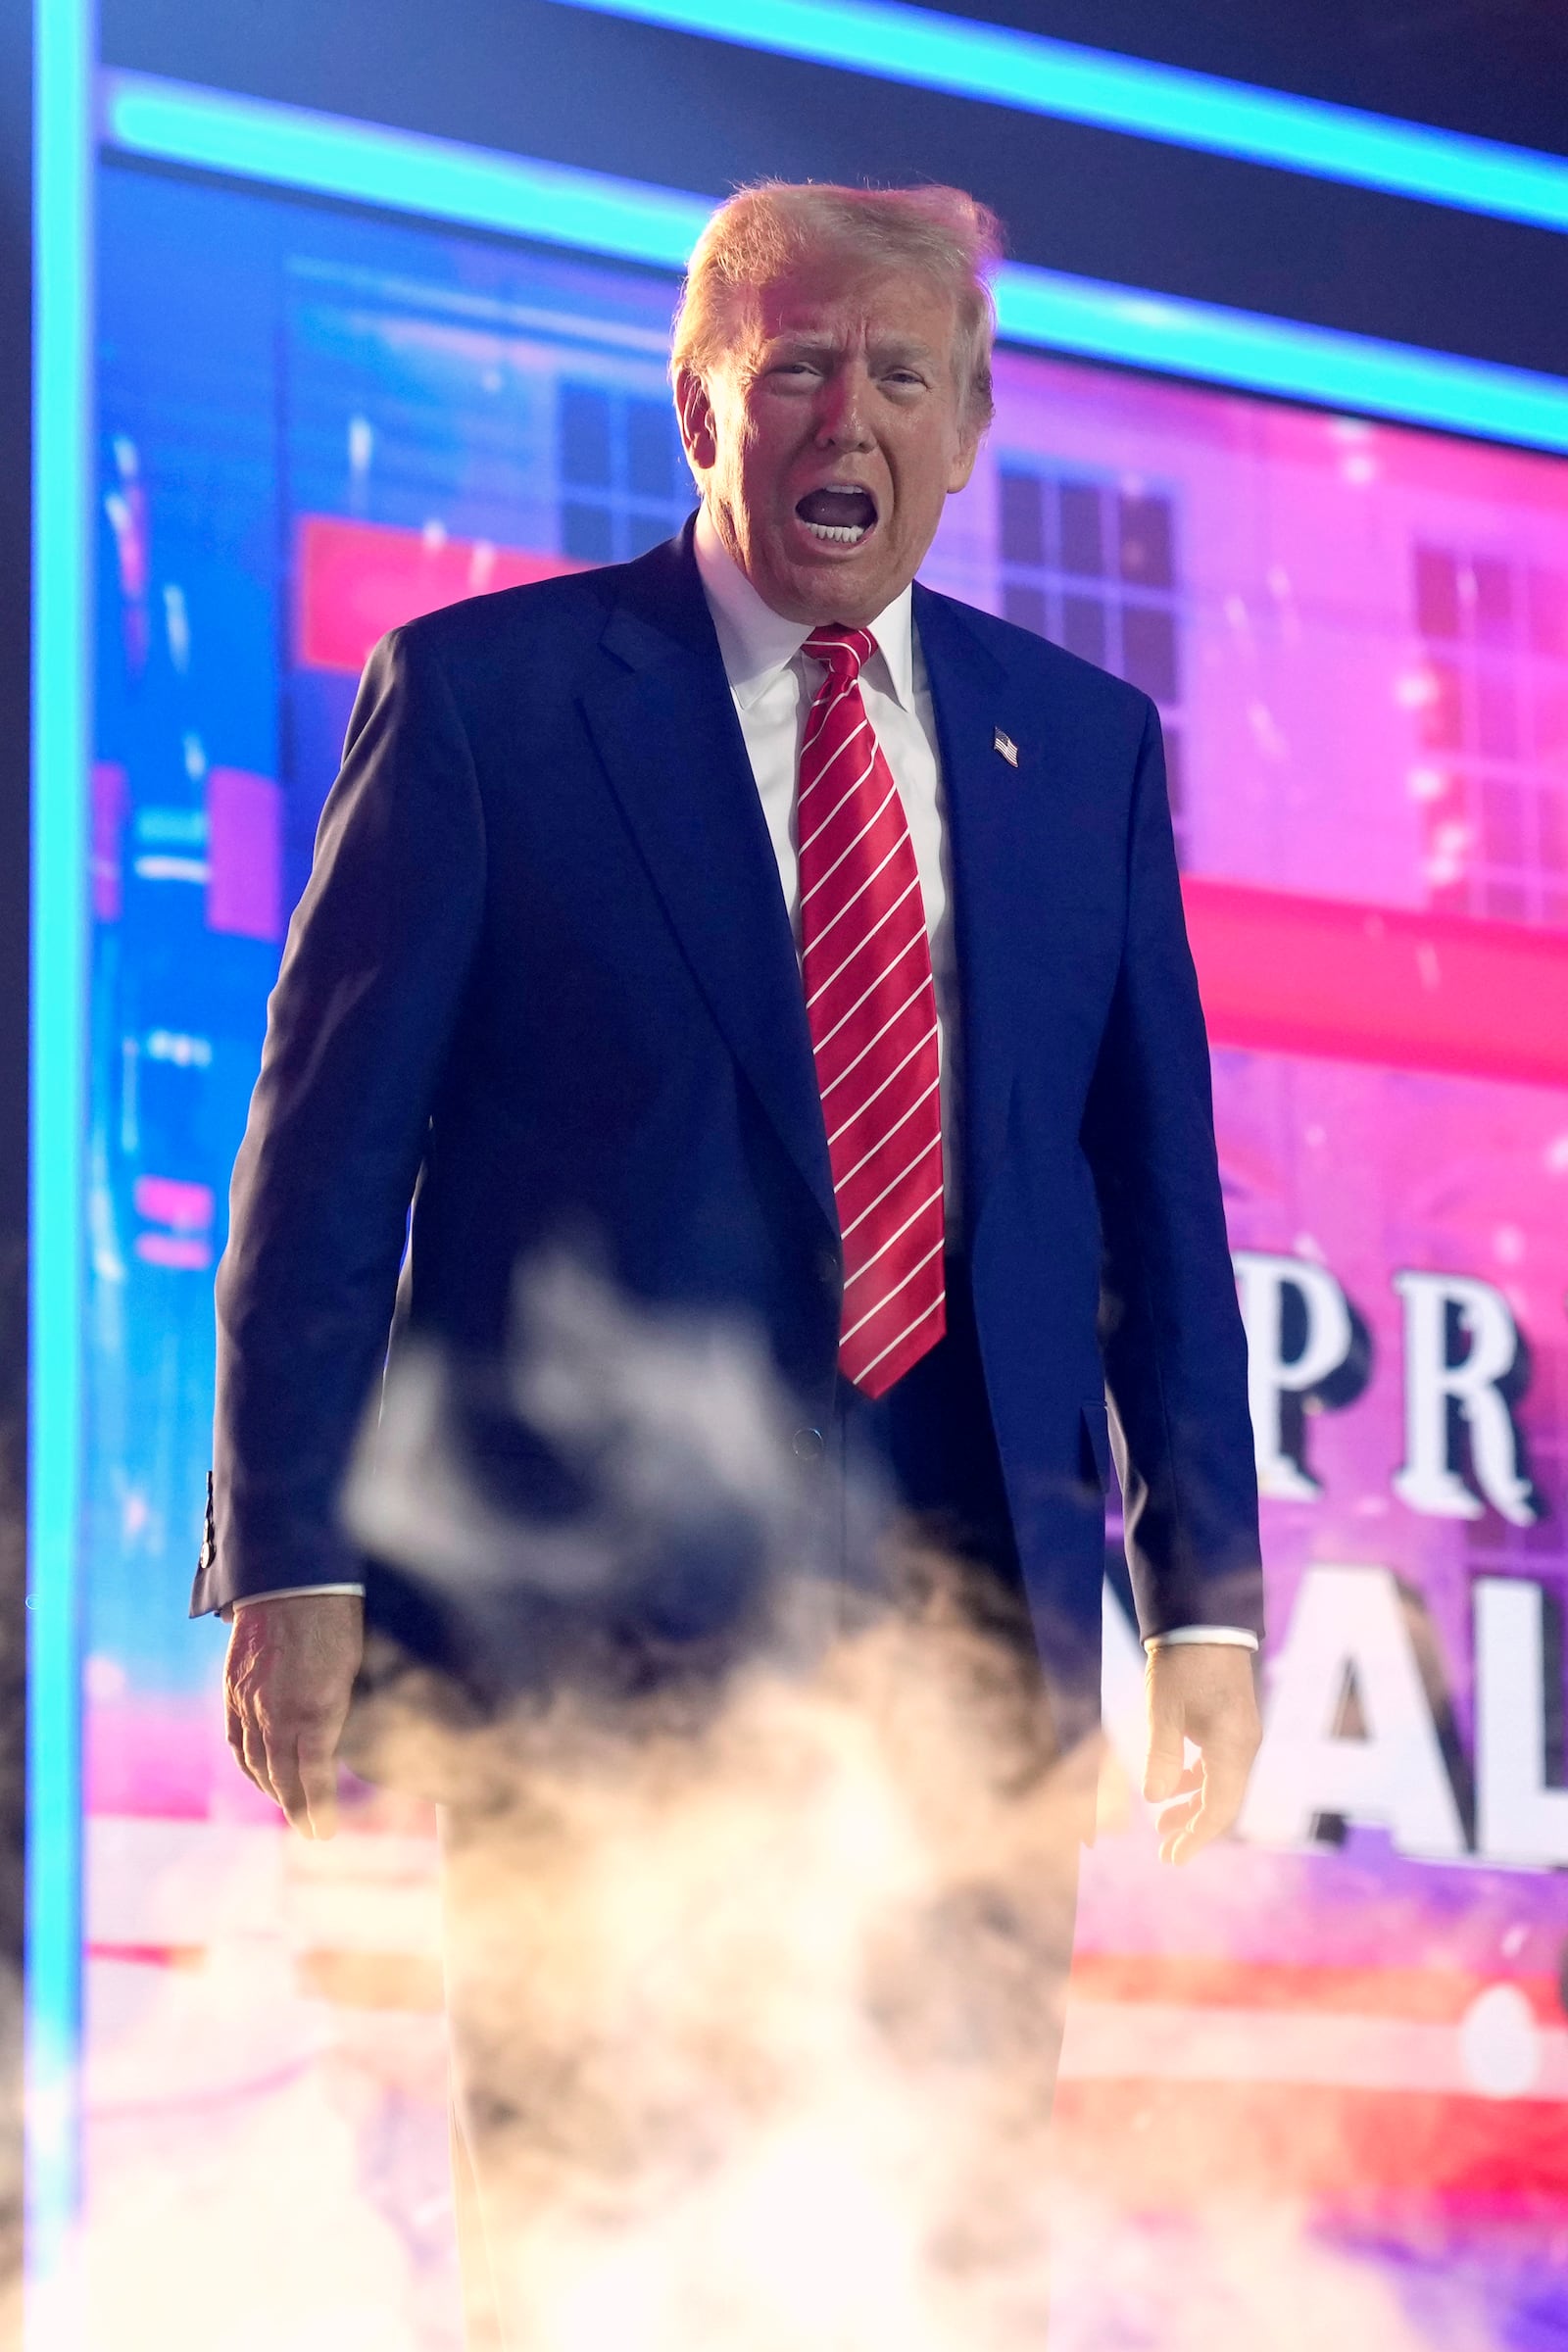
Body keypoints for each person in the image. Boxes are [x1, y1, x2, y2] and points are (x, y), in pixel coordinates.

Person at [197, 181, 1264, 2332]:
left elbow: (1156, 1203)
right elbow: (323, 1161)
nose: (837, 413)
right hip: (602, 1647)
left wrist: (1211, 1604)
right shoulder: (488, 702)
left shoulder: (1084, 755)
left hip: (976, 1633)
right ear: (697, 405)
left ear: (965, 427)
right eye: (789, 366)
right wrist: (294, 1556)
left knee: (942, 2260)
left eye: (892, 373)